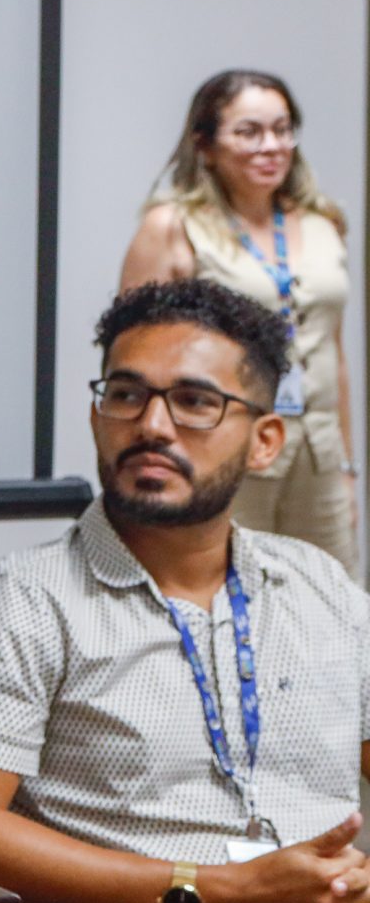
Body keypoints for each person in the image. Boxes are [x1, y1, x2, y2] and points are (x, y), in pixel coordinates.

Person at [0, 278, 370, 903]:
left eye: (194, 401)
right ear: (96, 415)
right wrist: (221, 893)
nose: (151, 424)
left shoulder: (317, 585)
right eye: (126, 394)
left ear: (265, 441)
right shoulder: (21, 602)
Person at [122, 70, 358, 574]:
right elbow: (135, 359)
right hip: (220, 444)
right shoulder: (173, 226)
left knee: (333, 592)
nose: (271, 146)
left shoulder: (323, 224)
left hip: (317, 451)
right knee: (227, 587)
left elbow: (334, 354)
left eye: (282, 129)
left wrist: (347, 465)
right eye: (249, 132)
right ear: (205, 145)